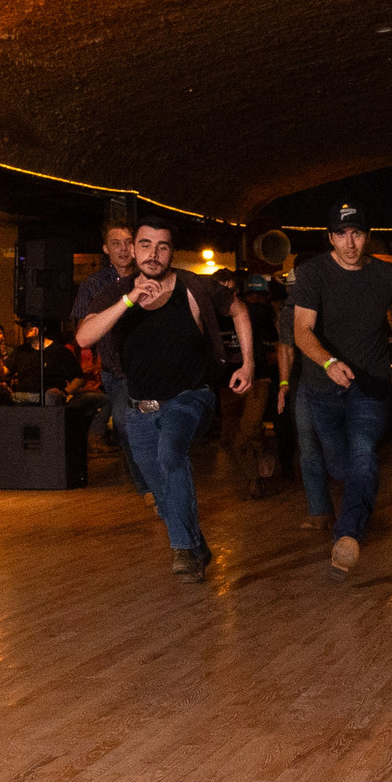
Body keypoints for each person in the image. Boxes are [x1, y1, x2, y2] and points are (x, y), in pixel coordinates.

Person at [77, 221, 253, 575]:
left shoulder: (193, 286)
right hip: (139, 407)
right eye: (145, 245)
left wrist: (248, 364)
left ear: (172, 251)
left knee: (170, 453)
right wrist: (129, 300)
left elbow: (239, 310)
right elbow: (84, 337)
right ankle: (196, 546)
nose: (153, 254)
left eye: (162, 246)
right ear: (133, 250)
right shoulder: (118, 292)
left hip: (190, 397)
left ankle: (184, 552)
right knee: (159, 487)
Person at [289, 203, 392, 576]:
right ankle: (351, 514)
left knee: (364, 455)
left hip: (370, 385)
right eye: (341, 234)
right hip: (323, 387)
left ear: (367, 236)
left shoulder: (385, 274)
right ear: (330, 238)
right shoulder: (312, 274)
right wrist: (328, 363)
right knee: (340, 465)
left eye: (356, 233)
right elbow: (301, 330)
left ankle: (348, 535)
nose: (350, 243)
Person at [70, 218, 150, 495]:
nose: (123, 249)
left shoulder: (150, 277)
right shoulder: (94, 284)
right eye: (116, 243)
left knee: (153, 424)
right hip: (116, 372)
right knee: (124, 425)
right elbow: (83, 333)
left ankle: (154, 483)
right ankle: (146, 486)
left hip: (149, 368)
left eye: (129, 243)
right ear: (105, 248)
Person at [221, 274, 283, 496]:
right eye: (251, 294)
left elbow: (276, 343)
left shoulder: (259, 313)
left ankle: (262, 448)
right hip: (227, 382)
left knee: (250, 427)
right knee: (232, 436)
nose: (255, 298)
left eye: (259, 294)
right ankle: (253, 479)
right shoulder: (214, 315)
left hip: (258, 378)